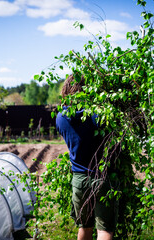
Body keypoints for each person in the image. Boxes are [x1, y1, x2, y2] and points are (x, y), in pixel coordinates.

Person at [56, 74, 119, 240]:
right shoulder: (98, 115)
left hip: (79, 181)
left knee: (84, 228)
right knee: (104, 230)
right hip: (102, 179)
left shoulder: (61, 118)